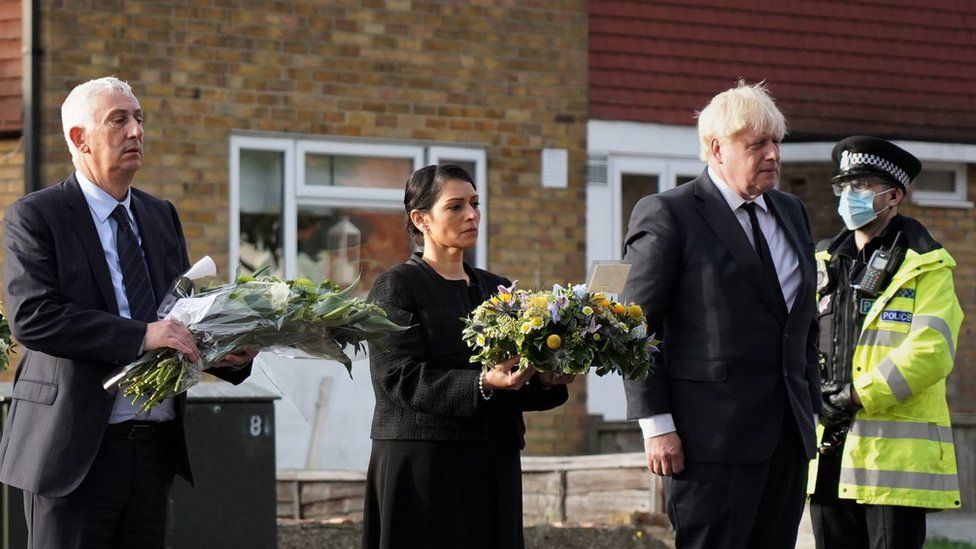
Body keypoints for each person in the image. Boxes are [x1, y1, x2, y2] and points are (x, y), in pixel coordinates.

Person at [0, 76, 256, 548]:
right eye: (119, 119)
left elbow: (178, 316)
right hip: (72, 453)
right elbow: (34, 317)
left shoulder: (162, 215)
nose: (136, 131)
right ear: (79, 138)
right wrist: (141, 335)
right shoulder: (36, 216)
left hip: (152, 450)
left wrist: (224, 351)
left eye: (138, 118)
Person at [621, 81, 820, 548]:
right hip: (707, 441)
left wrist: (809, 400)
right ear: (716, 148)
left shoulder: (792, 212)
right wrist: (657, 425)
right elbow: (633, 325)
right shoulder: (669, 214)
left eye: (776, 143)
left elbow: (800, 321)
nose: (772, 155)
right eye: (757, 145)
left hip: (787, 437)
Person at [363, 164, 574, 549]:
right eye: (456, 206)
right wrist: (481, 382)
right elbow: (397, 377)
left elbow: (509, 381)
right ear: (420, 219)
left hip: (491, 461)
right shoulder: (397, 286)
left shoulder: (498, 289)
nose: (472, 214)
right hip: (424, 466)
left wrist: (543, 378)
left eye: (475, 204)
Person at [808, 136, 963, 548]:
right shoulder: (823, 262)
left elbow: (931, 351)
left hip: (891, 465)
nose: (848, 197)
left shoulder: (926, 266)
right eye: (843, 187)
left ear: (893, 195)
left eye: (860, 186)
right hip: (828, 456)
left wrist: (857, 395)